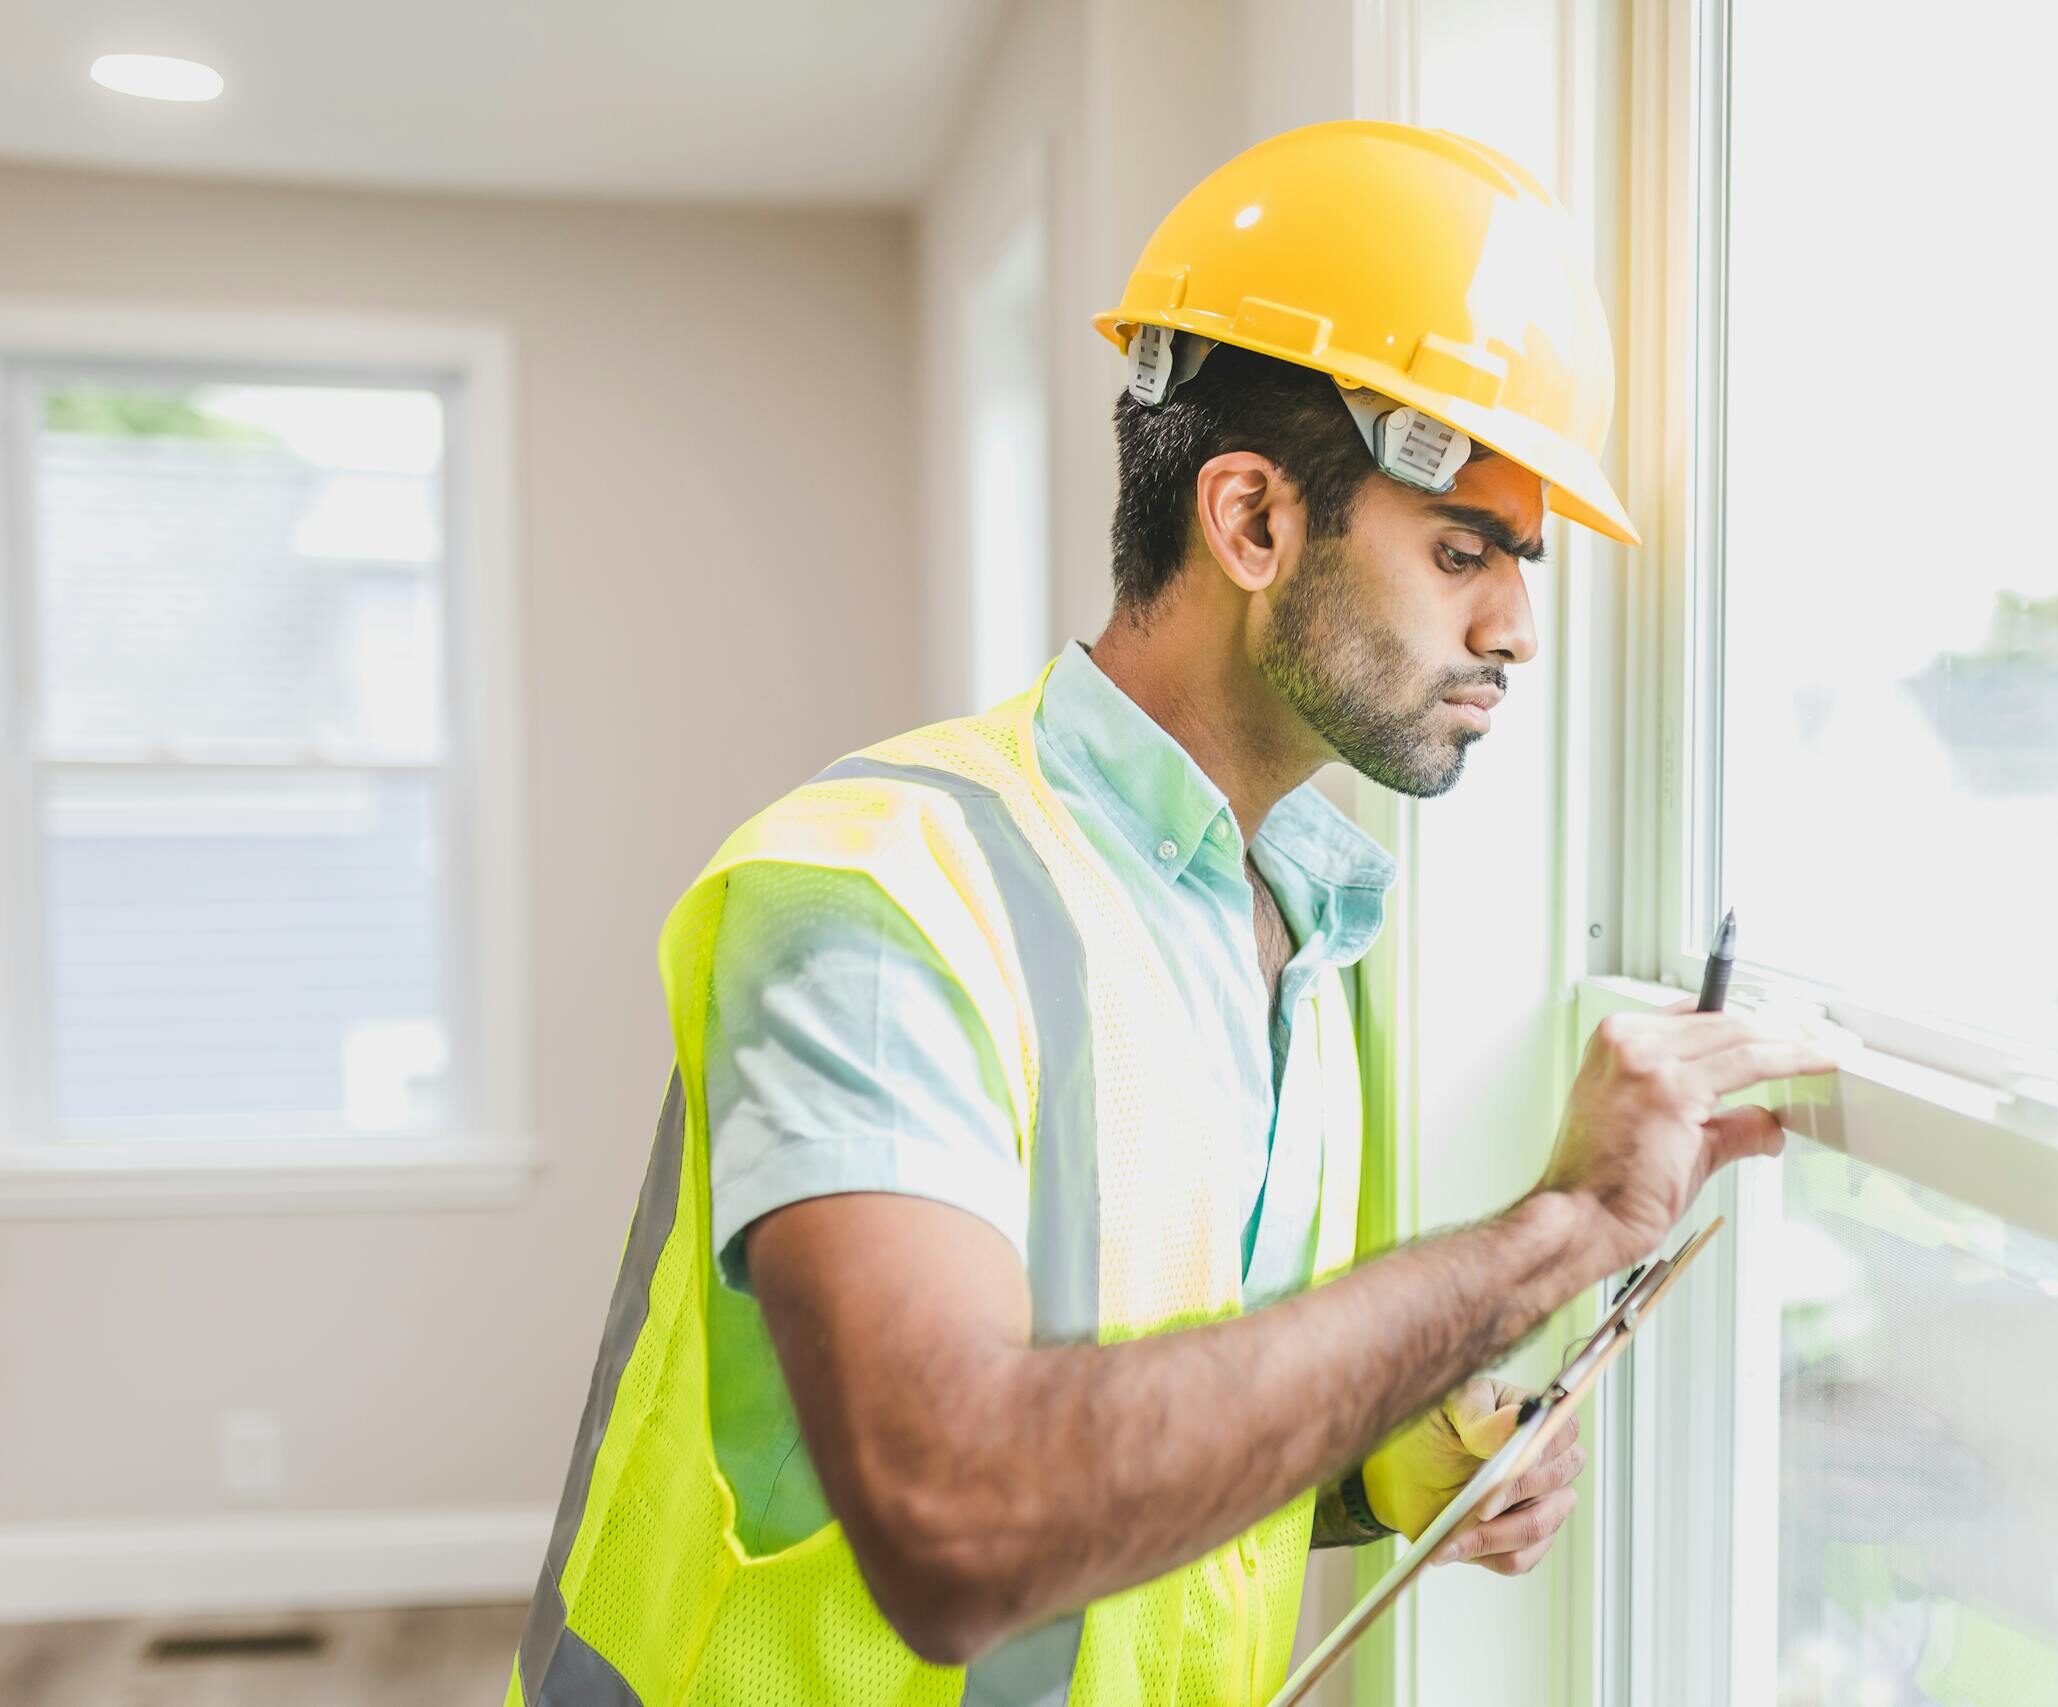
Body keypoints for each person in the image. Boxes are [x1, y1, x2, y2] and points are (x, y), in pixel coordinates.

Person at [507, 119, 1836, 1707]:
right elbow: (961, 1526)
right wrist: (1555, 1235)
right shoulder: (875, 900)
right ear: (1255, 522)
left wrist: (1379, 1473)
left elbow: (1139, 1446)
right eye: (1467, 549)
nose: (1519, 629)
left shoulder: (1304, 941)